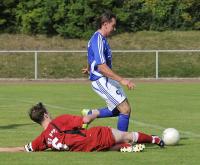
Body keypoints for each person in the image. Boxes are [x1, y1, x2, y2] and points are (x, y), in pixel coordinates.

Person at [0, 103, 164, 152]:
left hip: (87, 149)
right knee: (128, 134)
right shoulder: (60, 120)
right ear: (45, 115)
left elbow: (22, 149)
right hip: (95, 136)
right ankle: (155, 139)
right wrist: (94, 113)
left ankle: (124, 148)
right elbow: (85, 121)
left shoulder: (43, 140)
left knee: (106, 145)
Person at [82, 10, 135, 132]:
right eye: (113, 25)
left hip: (106, 79)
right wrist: (122, 80)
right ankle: (123, 142)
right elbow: (101, 67)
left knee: (119, 109)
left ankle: (91, 113)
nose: (114, 29)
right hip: (101, 79)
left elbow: (92, 56)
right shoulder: (98, 39)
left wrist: (89, 68)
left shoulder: (100, 39)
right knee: (125, 109)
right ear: (105, 24)